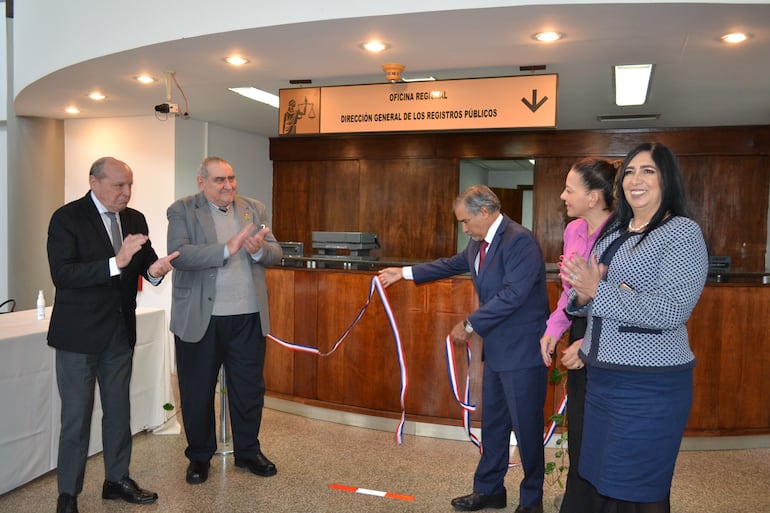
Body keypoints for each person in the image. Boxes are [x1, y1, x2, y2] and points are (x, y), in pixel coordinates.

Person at [379, 185, 550, 513]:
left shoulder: (519, 241)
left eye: (466, 221)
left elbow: (512, 295)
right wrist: (401, 273)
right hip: (498, 351)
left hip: (522, 352)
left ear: (485, 212)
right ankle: (489, 491)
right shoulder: (477, 245)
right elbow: (448, 264)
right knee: (494, 425)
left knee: (527, 430)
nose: (464, 228)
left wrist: (470, 324)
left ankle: (532, 502)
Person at [560, 142, 708, 513]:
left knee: (636, 487)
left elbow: (672, 309)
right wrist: (582, 295)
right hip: (604, 380)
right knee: (600, 480)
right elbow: (589, 301)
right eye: (629, 172)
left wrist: (600, 291)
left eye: (648, 171)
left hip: (650, 385)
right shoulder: (617, 232)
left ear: (666, 179)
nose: (635, 180)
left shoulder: (682, 233)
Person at [47, 157, 178, 513]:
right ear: (94, 182)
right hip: (78, 336)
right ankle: (68, 493)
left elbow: (145, 264)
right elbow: (63, 275)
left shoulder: (134, 219)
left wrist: (156, 271)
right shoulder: (67, 218)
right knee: (77, 415)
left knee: (120, 410)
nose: (126, 192)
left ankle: (116, 479)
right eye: (118, 185)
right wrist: (114, 263)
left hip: (119, 332)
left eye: (130, 185)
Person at [167, 156, 282, 486]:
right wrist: (226, 249)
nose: (228, 186)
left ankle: (248, 451)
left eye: (231, 178)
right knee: (197, 390)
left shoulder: (254, 209)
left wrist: (259, 250)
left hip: (247, 316)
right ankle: (200, 456)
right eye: (219, 180)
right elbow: (180, 255)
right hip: (201, 318)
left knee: (248, 390)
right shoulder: (183, 210)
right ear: (201, 182)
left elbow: (276, 253)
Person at [538, 158, 617, 513]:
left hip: (615, 339)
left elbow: (623, 300)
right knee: (581, 430)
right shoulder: (574, 231)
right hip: (582, 329)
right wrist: (554, 330)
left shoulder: (624, 236)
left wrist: (590, 344)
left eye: (570, 189)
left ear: (595, 197)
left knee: (607, 436)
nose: (562, 195)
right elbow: (570, 292)